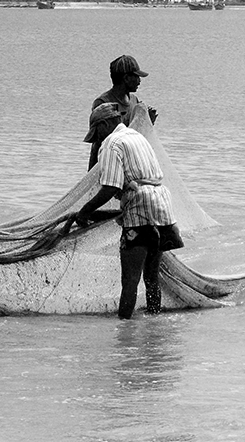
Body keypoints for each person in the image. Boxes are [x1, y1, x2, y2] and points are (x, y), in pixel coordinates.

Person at [76, 102, 183, 319]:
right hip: (162, 206)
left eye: (96, 133)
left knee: (130, 281)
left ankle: (124, 333)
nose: (97, 139)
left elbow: (111, 187)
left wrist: (85, 212)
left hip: (140, 208)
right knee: (152, 278)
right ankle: (155, 324)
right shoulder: (137, 136)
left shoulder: (111, 143)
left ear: (105, 124)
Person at [88, 55, 158, 170]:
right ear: (126, 78)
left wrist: (147, 123)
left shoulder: (134, 101)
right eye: (136, 77)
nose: (139, 81)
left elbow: (135, 139)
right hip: (105, 165)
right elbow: (112, 141)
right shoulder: (103, 103)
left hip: (127, 164)